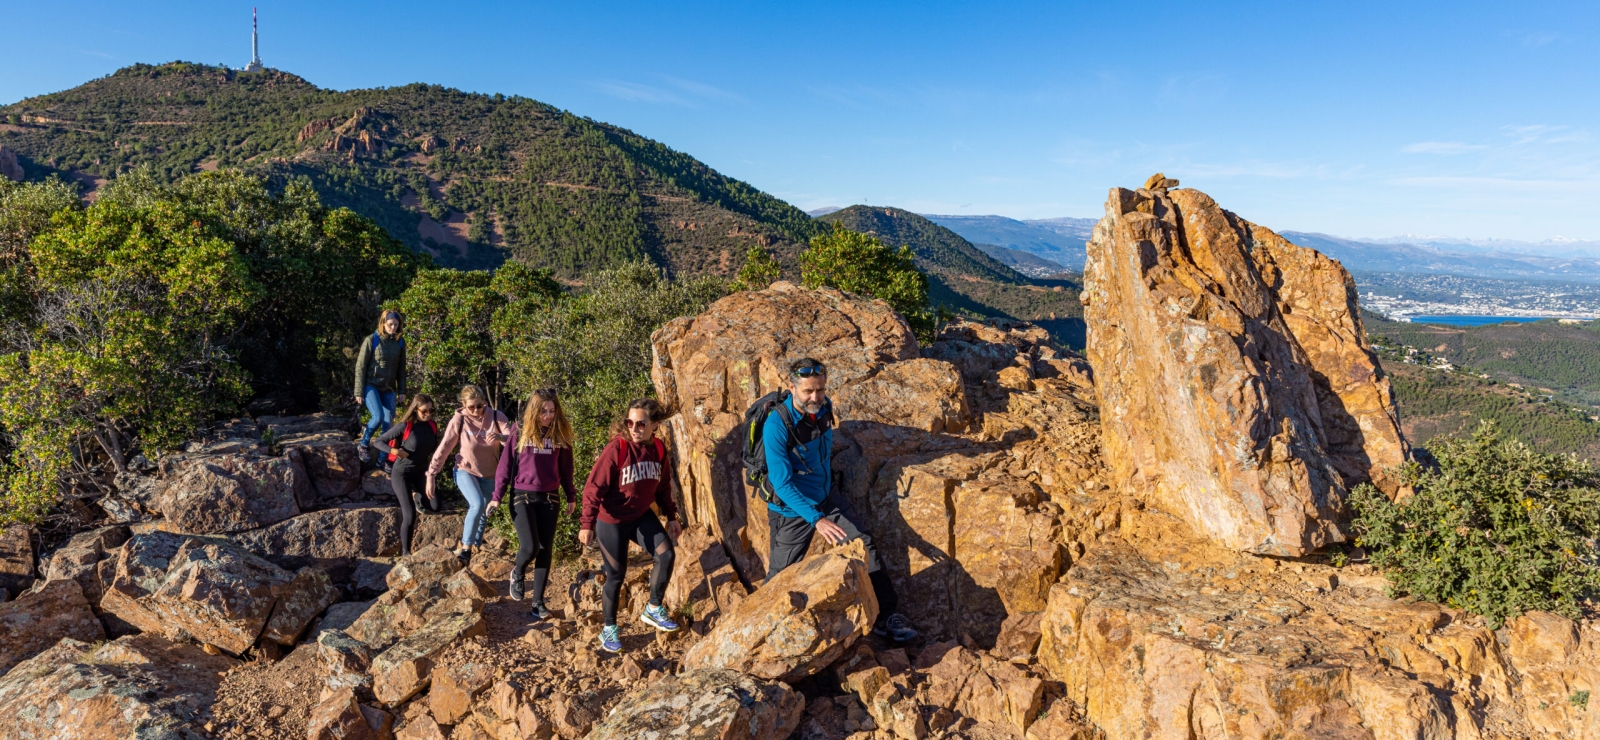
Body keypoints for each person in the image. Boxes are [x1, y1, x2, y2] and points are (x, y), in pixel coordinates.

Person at [761, 357, 918, 642]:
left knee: (863, 543)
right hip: (791, 510)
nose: (815, 397)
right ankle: (758, 630)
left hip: (825, 497)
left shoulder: (824, 408)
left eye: (820, 389)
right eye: (808, 391)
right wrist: (816, 518)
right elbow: (782, 483)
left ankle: (887, 616)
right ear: (791, 387)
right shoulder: (777, 425)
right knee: (781, 576)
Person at [578, 398, 681, 653]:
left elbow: (663, 487)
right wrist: (587, 523)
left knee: (666, 554)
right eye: (630, 422)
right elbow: (594, 487)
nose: (634, 428)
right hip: (610, 520)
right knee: (615, 576)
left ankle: (653, 608)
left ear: (654, 425)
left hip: (639, 516)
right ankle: (609, 628)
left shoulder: (658, 449)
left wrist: (671, 516)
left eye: (641, 423)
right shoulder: (618, 448)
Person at [488, 388, 576, 618]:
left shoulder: (560, 434)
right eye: (543, 411)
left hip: (550, 497)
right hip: (522, 496)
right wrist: (497, 497)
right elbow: (505, 466)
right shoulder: (520, 431)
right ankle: (517, 571)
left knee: (546, 549)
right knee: (530, 547)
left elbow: (567, 469)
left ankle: (538, 604)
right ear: (533, 411)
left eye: (552, 411)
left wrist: (571, 495)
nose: (547, 416)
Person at [427, 385, 511, 561]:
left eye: (479, 406)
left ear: (484, 403)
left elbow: (512, 440)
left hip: (490, 473)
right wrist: (432, 474)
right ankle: (466, 549)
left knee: (484, 513)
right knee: (477, 504)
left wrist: (500, 438)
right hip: (465, 470)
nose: (475, 410)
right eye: (470, 407)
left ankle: (476, 547)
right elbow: (445, 447)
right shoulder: (459, 420)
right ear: (463, 405)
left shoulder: (496, 416)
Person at [371, 394, 440, 556]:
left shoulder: (432, 426)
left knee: (435, 507)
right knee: (409, 515)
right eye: (424, 411)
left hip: (421, 472)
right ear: (415, 409)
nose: (428, 414)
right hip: (402, 473)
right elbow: (378, 442)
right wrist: (395, 451)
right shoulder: (405, 426)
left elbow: (435, 450)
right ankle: (405, 552)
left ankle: (417, 497)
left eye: (431, 410)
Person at [354, 310, 407, 464]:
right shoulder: (372, 340)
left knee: (388, 425)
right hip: (371, 385)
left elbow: (401, 369)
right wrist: (358, 391)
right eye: (390, 324)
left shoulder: (400, 342)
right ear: (383, 323)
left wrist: (402, 391)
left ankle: (383, 459)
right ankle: (363, 445)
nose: (393, 328)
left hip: (389, 388)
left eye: (396, 325)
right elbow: (360, 367)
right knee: (377, 417)